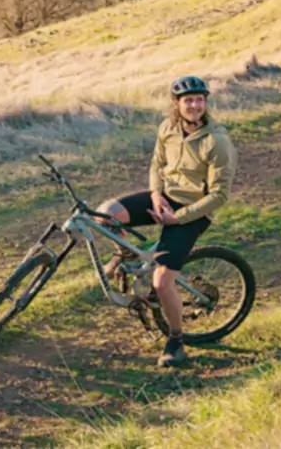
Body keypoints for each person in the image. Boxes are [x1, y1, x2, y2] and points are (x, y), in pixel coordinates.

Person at [97, 75, 238, 368]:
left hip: (194, 211)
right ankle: (123, 253)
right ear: (177, 104)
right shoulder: (168, 128)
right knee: (106, 212)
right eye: (189, 100)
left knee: (162, 282)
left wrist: (177, 218)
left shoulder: (217, 141)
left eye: (200, 100)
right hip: (165, 198)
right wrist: (156, 194)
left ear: (205, 103)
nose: (195, 105)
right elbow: (156, 165)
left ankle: (176, 341)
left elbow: (219, 195)